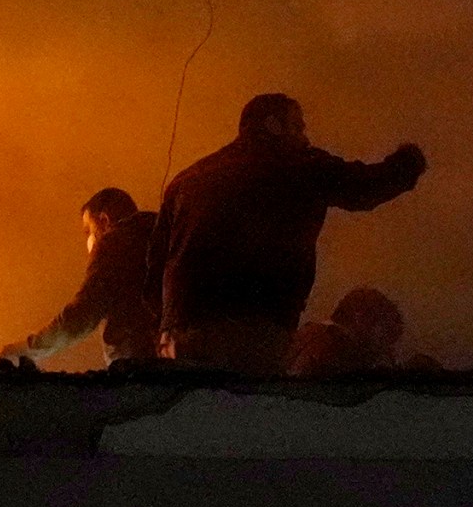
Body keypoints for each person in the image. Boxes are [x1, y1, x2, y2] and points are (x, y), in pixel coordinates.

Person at [147, 93, 425, 374]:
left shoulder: (187, 179)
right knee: (244, 412)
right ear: (274, 125)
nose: (305, 138)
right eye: (298, 127)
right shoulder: (298, 165)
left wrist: (165, 325)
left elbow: (155, 264)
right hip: (252, 329)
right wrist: (409, 161)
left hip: (175, 335)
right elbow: (366, 188)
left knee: (186, 414)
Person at [0, 188, 161, 365]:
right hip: (177, 364)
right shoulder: (162, 237)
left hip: (137, 369)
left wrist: (25, 350)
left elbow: (81, 316)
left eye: (87, 231)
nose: (88, 241)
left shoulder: (114, 244)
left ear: (104, 221)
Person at [288, 285, 405, 377]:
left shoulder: (313, 335)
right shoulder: (329, 344)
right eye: (384, 337)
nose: (388, 347)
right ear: (361, 317)